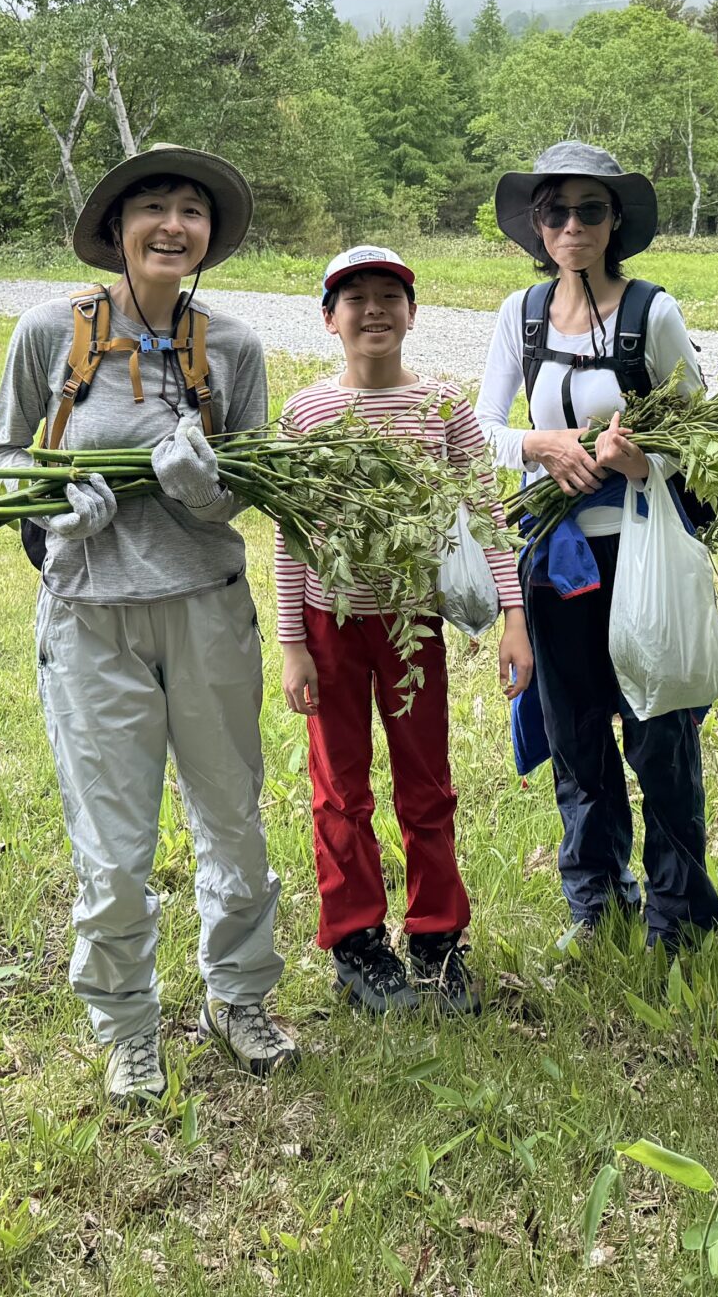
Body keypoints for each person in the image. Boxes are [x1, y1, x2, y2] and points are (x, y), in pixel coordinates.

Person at [0, 144, 294, 1105]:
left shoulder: (232, 348)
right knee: (114, 849)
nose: (173, 224)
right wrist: (52, 505)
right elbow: (5, 455)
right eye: (152, 206)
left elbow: (247, 483)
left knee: (232, 821)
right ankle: (127, 1028)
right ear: (117, 229)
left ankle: (238, 998)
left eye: (192, 209)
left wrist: (206, 493)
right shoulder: (50, 333)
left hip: (207, 612)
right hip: (89, 618)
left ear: (209, 235)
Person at [473, 141, 718, 955]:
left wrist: (640, 460)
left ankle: (680, 915)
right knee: (576, 735)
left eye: (589, 210)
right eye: (556, 212)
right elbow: (480, 430)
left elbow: (701, 433)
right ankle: (597, 901)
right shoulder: (520, 316)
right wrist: (541, 446)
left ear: (615, 221)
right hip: (555, 557)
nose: (572, 225)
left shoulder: (653, 313)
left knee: (659, 732)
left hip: (640, 553)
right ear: (537, 225)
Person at [272, 245, 535, 1017]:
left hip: (411, 627)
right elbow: (291, 537)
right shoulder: (306, 415)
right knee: (339, 789)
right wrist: (292, 645)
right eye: (354, 298)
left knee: (427, 783)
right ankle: (356, 941)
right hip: (330, 623)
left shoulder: (443, 406)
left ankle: (437, 938)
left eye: (390, 295)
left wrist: (514, 616)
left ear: (414, 314)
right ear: (329, 320)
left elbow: (485, 513)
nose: (374, 310)